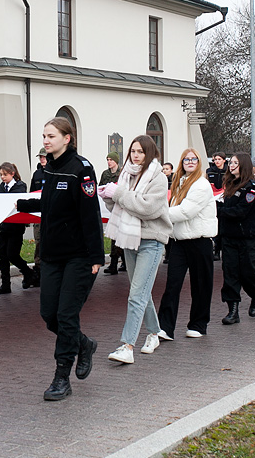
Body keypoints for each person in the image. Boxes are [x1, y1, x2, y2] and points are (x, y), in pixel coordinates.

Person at [16, 117, 103, 402]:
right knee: (49, 314)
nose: (45, 140)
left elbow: (90, 216)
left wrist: (96, 256)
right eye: (43, 135)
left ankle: (61, 377)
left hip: (79, 256)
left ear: (67, 138)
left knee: (66, 315)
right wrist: (21, 204)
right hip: (52, 256)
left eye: (51, 136)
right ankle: (84, 344)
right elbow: (48, 202)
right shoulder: (49, 169)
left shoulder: (82, 170)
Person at [99, 136, 171, 364]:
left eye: (140, 151)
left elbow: (147, 208)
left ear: (149, 153)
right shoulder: (126, 174)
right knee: (141, 291)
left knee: (136, 294)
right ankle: (154, 332)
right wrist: (108, 196)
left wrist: (118, 194)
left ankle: (127, 346)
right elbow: (120, 205)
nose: (136, 155)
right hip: (128, 239)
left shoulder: (158, 178)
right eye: (133, 151)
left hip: (151, 240)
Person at [158, 148, 216, 340]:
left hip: (199, 241)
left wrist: (158, 214)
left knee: (200, 285)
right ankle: (166, 327)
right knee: (172, 284)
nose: (190, 162)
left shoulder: (201, 185)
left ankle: (198, 324)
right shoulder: (178, 183)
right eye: (186, 159)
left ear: (199, 163)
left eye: (194, 159)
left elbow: (185, 212)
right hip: (179, 242)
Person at [217, 152, 255, 323]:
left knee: (248, 272)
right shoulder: (228, 185)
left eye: (235, 163)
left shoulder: (251, 188)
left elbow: (241, 211)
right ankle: (233, 310)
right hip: (229, 237)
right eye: (231, 162)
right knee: (230, 273)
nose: (231, 165)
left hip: (247, 237)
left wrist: (219, 212)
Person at [0, 162, 35, 294]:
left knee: (12, 255)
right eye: (1, 175)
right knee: (2, 256)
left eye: (5, 174)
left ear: (12, 174)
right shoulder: (0, 189)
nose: (2, 177)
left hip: (15, 227)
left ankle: (28, 272)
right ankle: (5, 284)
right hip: (3, 228)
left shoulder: (20, 187)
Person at [100, 152, 126, 275]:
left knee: (122, 235)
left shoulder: (122, 173)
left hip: (121, 207)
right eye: (108, 159)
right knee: (114, 236)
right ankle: (114, 264)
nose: (109, 161)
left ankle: (123, 262)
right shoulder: (105, 174)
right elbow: (101, 188)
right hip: (109, 207)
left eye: (111, 159)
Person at [29, 148, 48, 286]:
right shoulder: (36, 174)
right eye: (40, 157)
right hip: (38, 215)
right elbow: (31, 193)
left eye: (44, 157)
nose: (42, 159)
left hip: (51, 214)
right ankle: (39, 270)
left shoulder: (54, 172)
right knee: (39, 241)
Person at [206, 152, 228, 261]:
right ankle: (216, 250)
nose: (217, 161)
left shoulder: (228, 171)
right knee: (215, 225)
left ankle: (222, 248)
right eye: (215, 160)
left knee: (223, 225)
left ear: (224, 160)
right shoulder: (210, 171)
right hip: (213, 201)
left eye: (219, 159)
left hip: (224, 200)